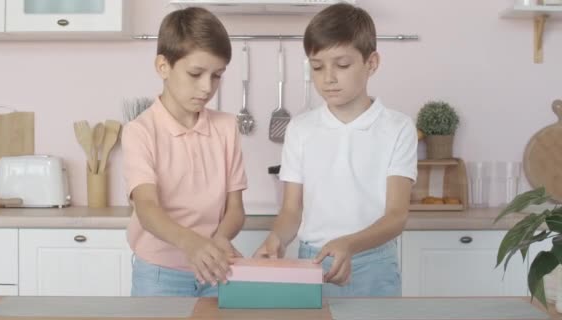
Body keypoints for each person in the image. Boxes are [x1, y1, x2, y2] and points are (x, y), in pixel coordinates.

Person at [254, 3, 417, 297]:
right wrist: (276, 239)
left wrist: (349, 244)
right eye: (317, 66)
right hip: (311, 263)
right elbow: (292, 209)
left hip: (373, 263)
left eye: (342, 65)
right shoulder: (300, 129)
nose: (328, 77)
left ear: (372, 63)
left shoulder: (398, 128)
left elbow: (396, 215)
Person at [122, 7, 247, 297]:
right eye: (195, 74)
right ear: (163, 66)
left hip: (216, 269)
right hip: (158, 275)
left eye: (217, 76)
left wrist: (218, 242)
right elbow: (147, 209)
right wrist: (192, 244)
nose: (207, 88)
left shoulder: (227, 127)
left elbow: (236, 209)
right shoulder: (140, 131)